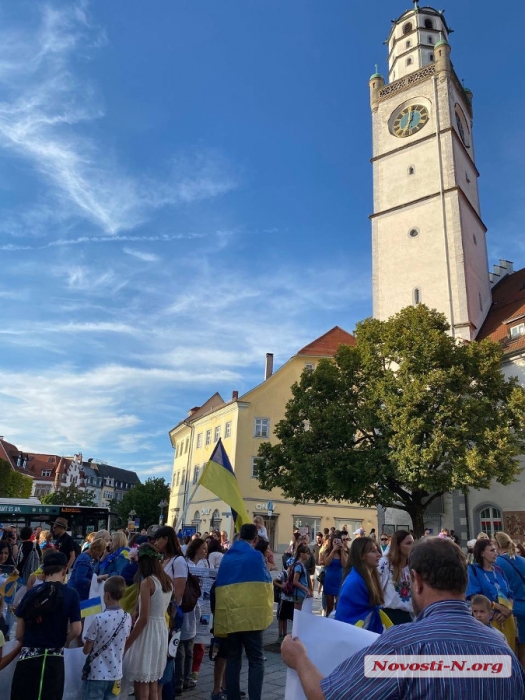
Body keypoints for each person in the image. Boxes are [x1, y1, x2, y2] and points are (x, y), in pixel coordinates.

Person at [281, 538, 525, 699]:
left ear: (416, 580)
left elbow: (329, 696)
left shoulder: (404, 647)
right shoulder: (502, 650)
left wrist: (299, 659)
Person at [10, 551, 81, 700]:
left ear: (44, 571)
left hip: (29, 657)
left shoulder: (32, 594)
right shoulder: (71, 594)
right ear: (64, 571)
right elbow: (76, 629)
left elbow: (19, 634)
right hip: (54, 658)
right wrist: (64, 639)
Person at [215, 523, 273, 700]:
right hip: (252, 618)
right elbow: (266, 583)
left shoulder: (227, 557)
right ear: (255, 539)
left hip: (232, 616)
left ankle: (232, 697)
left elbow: (220, 585)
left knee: (233, 659)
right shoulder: (256, 557)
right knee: (256, 660)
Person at [124, 543, 173, 699]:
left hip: (148, 632)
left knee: (141, 682)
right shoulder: (166, 580)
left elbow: (144, 618)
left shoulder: (147, 583)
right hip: (161, 630)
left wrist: (128, 643)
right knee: (153, 682)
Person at [83, 575, 132, 699]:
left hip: (96, 674)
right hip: (116, 674)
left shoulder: (98, 619)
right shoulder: (127, 617)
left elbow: (86, 650)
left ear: (107, 595)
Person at [153, 526, 188, 697]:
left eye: (158, 539)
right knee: (161, 658)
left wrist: (172, 617)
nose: (156, 543)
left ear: (166, 539)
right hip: (161, 613)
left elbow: (179, 592)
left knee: (168, 658)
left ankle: (168, 694)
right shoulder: (163, 560)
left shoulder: (178, 561)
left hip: (171, 615)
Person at [467, 538, 516, 650]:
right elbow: (475, 596)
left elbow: (510, 593)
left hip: (507, 619)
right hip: (488, 620)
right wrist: (497, 607)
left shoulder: (498, 570)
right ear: (482, 553)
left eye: (495, 550)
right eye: (492, 550)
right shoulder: (473, 570)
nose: (496, 553)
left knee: (509, 653)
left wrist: (508, 610)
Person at [335, 537, 384, 633]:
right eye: (373, 551)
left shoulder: (368, 577)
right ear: (362, 555)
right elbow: (346, 617)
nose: (379, 555)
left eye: (378, 551)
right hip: (355, 635)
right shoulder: (354, 581)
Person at [494, 531, 525, 665]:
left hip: (512, 610)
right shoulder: (522, 560)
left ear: (496, 544)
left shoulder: (497, 562)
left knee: (512, 651)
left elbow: (500, 590)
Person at [378, 530, 414, 624]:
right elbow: (377, 589)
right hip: (389, 616)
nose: (412, 546)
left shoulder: (412, 566)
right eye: (408, 543)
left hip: (409, 617)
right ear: (398, 546)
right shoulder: (385, 564)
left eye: (413, 543)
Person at [320, 532, 348, 616]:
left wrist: (342, 551)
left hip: (339, 580)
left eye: (338, 541)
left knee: (339, 605)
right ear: (331, 542)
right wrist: (333, 551)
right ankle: (328, 622)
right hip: (329, 580)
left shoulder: (343, 553)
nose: (336, 543)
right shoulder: (327, 552)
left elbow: (344, 565)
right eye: (334, 542)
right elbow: (326, 563)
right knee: (329, 607)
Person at [274, 564, 295, 643]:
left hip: (290, 599)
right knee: (281, 617)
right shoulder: (284, 573)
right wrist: (281, 586)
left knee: (285, 617)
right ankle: (280, 635)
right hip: (283, 598)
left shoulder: (294, 574)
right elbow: (274, 581)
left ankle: (285, 635)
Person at [291, 544, 313, 610]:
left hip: (302, 593)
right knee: (297, 614)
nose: (308, 556)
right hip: (298, 594)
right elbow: (295, 581)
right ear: (301, 554)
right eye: (307, 553)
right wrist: (305, 589)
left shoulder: (302, 565)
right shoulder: (299, 566)